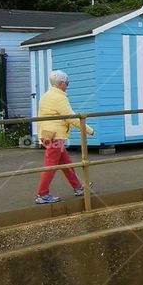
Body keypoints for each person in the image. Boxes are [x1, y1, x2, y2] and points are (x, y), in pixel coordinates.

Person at [34, 70, 93, 205]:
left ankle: (78, 187)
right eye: (67, 83)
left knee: (66, 163)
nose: (67, 85)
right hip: (56, 136)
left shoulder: (46, 96)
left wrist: (41, 135)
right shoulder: (59, 97)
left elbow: (40, 117)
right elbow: (71, 117)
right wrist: (89, 130)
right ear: (61, 84)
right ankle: (42, 194)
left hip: (48, 134)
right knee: (51, 165)